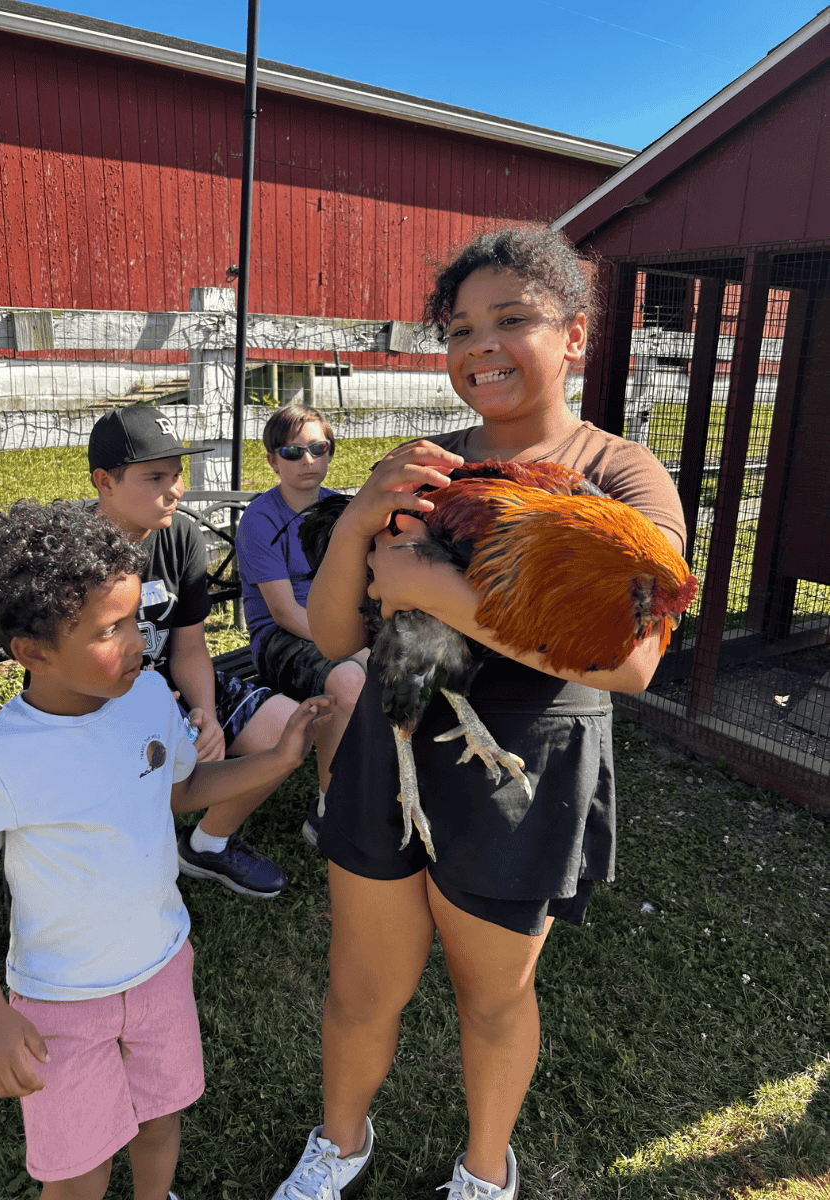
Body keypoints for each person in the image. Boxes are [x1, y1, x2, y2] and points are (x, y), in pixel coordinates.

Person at [267, 226, 688, 1200]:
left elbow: (632, 659)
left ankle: (485, 1171)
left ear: (576, 336)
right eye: (459, 328)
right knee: (364, 986)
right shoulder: (423, 462)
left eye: (512, 320)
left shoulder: (621, 473)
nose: (480, 346)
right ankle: (340, 1143)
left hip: (526, 767)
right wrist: (366, 510)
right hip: (394, 736)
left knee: (491, 996)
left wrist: (439, 591)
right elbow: (340, 638)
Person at [0, 501, 332, 1200]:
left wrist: (279, 758)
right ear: (31, 652)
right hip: (58, 1004)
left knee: (159, 1120)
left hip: (162, 969)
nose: (140, 646)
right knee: (79, 1169)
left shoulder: (150, 695)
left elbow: (180, 788)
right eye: (109, 630)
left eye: (135, 620)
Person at [88, 404, 301, 899]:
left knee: (288, 727)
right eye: (155, 476)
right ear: (105, 482)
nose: (176, 489)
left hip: (167, 684)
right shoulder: (77, 549)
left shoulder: (181, 534)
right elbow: (69, 674)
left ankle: (209, 843)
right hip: (99, 699)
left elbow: (188, 645)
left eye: (178, 473)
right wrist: (162, 718)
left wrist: (202, 711)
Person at [235, 405, 369, 848]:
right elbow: (285, 613)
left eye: (318, 448)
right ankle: (328, 812)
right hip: (281, 638)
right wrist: (354, 645)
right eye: (293, 452)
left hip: (339, 627)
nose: (308, 461)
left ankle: (390, 784)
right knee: (349, 680)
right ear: (273, 460)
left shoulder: (340, 511)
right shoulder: (260, 519)